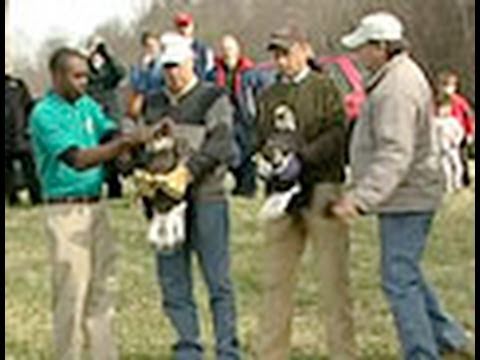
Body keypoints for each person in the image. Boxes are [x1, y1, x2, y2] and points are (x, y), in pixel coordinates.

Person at [332, 12, 474, 359]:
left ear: (382, 47)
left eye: (363, 48)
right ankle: (449, 338)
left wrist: (361, 198)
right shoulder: (396, 78)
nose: (358, 55)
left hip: (408, 196)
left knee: (398, 279)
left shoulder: (396, 88)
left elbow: (396, 154)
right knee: (405, 271)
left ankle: (422, 352)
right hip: (405, 195)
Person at [29, 47, 154, 360]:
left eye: (87, 75)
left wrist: (129, 145)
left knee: (103, 293)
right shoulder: (44, 113)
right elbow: (79, 159)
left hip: (97, 207)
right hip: (65, 211)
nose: (85, 82)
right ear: (57, 76)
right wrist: (122, 145)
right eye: (78, 76)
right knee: (72, 294)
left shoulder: (87, 105)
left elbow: (108, 132)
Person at [254, 25, 356, 359]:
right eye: (276, 55)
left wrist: (304, 158)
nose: (281, 61)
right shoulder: (268, 96)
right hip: (281, 194)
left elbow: (338, 133)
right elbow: (262, 137)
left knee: (333, 282)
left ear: (304, 50)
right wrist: (268, 165)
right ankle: (271, 352)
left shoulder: (326, 87)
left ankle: (343, 352)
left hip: (322, 187)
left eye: (287, 52)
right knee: (275, 281)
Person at [139, 36, 241, 359]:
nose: (172, 74)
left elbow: (221, 142)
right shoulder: (153, 103)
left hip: (207, 198)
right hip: (164, 205)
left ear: (191, 64)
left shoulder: (213, 96)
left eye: (177, 66)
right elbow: (142, 143)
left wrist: (186, 173)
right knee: (173, 281)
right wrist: (139, 169)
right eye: (166, 67)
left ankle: (227, 350)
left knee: (217, 280)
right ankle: (187, 348)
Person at [208, 34, 257, 197]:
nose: (227, 53)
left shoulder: (250, 72)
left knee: (248, 153)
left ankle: (247, 188)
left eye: (230, 49)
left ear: (237, 50)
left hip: (244, 117)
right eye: (224, 49)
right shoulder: (213, 73)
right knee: (229, 154)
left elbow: (258, 93)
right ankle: (236, 184)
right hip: (224, 117)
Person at [86, 35, 128, 199]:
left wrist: (105, 52)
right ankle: (97, 186)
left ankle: (115, 187)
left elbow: (120, 72)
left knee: (115, 154)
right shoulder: (86, 70)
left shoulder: (110, 70)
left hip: (111, 116)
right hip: (94, 117)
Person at [5, 73, 42, 205]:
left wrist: (29, 126)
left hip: (21, 133)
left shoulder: (18, 84)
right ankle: (13, 199)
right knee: (7, 172)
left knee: (30, 167)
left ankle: (37, 197)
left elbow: (29, 106)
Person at [436, 70, 475, 187]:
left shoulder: (459, 101)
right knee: (445, 163)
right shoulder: (438, 101)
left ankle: (464, 180)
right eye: (444, 85)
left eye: (450, 85)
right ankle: (447, 182)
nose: (447, 89)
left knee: (461, 160)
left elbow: (468, 117)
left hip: (459, 134)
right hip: (444, 137)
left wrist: (469, 133)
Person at [128, 30, 165, 120]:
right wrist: (144, 70)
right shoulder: (138, 67)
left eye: (153, 46)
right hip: (146, 106)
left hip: (162, 101)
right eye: (147, 46)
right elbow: (137, 87)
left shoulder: (166, 63)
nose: (151, 49)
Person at [434, 95, 465, 192]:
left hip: (453, 148)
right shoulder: (436, 122)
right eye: (442, 108)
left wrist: (456, 141)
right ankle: (448, 186)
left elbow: (460, 132)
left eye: (447, 108)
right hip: (442, 149)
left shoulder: (452, 121)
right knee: (446, 169)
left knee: (458, 167)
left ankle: (458, 183)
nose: (445, 111)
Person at [173, 11, 215, 80]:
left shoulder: (203, 49)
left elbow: (209, 73)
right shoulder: (170, 49)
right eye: (180, 26)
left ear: (192, 26)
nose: (183, 29)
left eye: (185, 25)